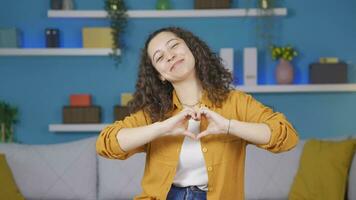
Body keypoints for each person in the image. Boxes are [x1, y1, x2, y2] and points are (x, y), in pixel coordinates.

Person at [96, 26, 299, 200]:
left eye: (174, 45)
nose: (170, 56)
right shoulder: (154, 114)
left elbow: (286, 137)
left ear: (191, 48)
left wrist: (229, 126)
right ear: (160, 75)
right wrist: (161, 128)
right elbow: (106, 144)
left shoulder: (235, 102)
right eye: (159, 57)